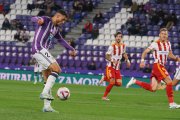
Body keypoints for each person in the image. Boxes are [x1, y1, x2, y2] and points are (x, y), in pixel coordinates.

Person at [31, 10, 76, 112]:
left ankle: (47, 106)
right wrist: (38, 20)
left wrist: (71, 49)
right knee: (57, 69)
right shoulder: (46, 20)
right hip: (39, 48)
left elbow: (61, 40)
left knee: (47, 77)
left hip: (42, 51)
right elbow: (34, 18)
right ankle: (44, 92)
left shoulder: (55, 28)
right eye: (63, 19)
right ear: (58, 16)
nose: (63, 22)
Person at [126, 28, 180, 109]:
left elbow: (170, 54)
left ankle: (135, 81)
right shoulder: (155, 44)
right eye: (162, 34)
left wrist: (176, 59)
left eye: (165, 34)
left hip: (159, 67)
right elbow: (145, 52)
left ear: (167, 35)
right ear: (159, 35)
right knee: (169, 82)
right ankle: (171, 103)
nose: (164, 35)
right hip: (158, 65)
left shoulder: (168, 43)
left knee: (153, 88)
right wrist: (142, 60)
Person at [100, 31, 131, 101]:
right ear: (115, 37)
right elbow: (106, 56)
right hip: (110, 67)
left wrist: (128, 61)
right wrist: (111, 60)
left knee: (119, 83)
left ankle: (105, 78)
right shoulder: (112, 46)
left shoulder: (123, 46)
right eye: (117, 36)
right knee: (112, 82)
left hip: (117, 68)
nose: (118, 38)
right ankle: (104, 97)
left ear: (121, 38)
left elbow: (124, 53)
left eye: (120, 36)